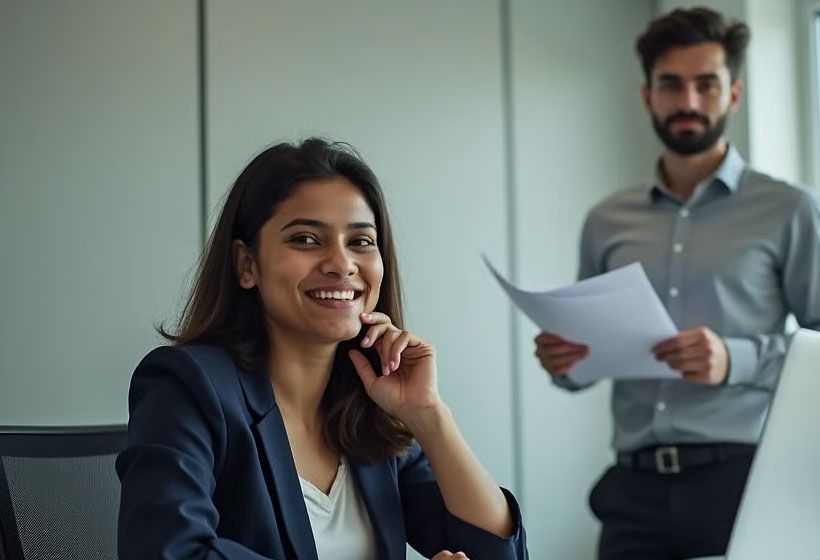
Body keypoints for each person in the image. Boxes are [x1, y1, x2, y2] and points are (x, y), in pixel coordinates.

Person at [533, 8, 820, 560]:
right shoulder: (606, 219)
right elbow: (583, 366)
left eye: (706, 85)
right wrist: (566, 361)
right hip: (631, 490)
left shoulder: (790, 210)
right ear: (647, 96)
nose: (688, 101)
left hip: (743, 482)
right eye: (671, 85)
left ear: (733, 94)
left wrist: (735, 358)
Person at [117, 138, 528, 560]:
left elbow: (496, 552)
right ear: (247, 265)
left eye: (361, 242)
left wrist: (430, 417)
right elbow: (169, 551)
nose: (341, 263)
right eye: (306, 239)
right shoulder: (187, 385)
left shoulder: (372, 404)